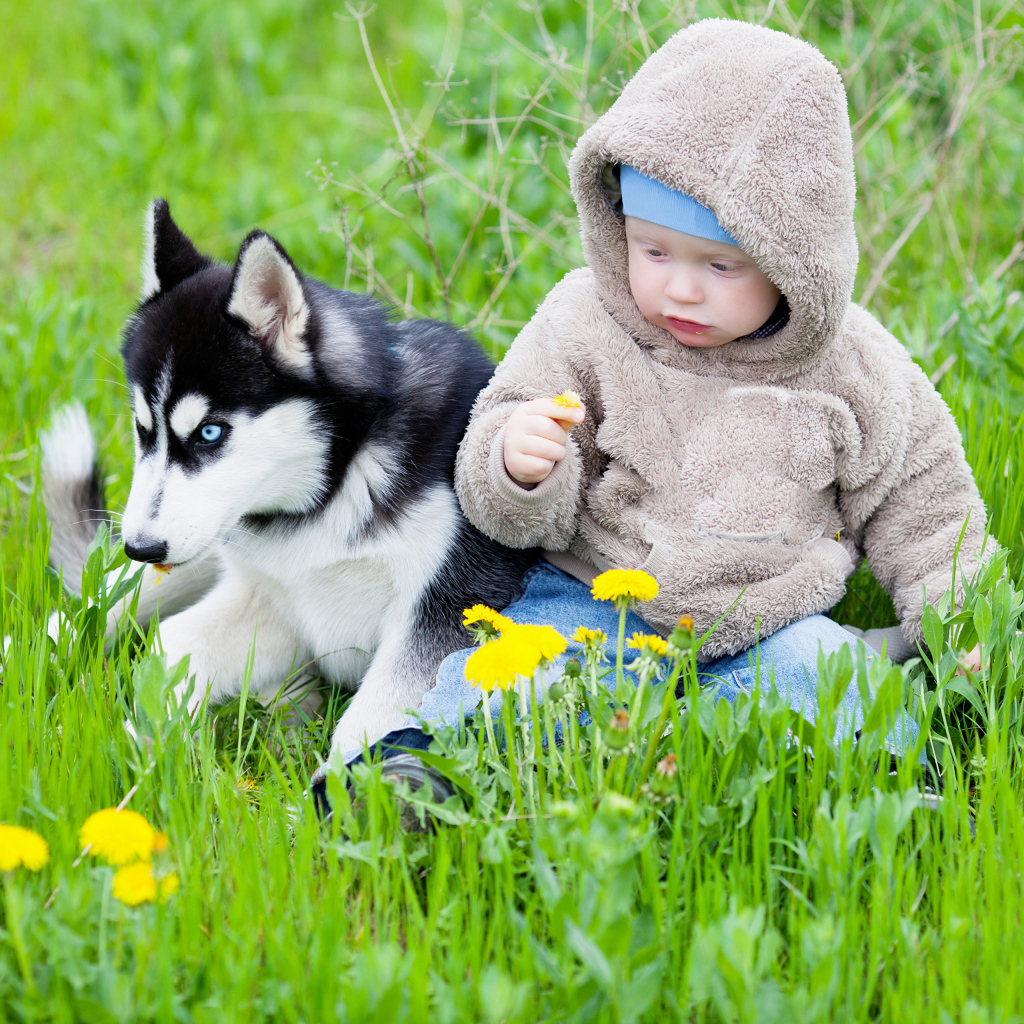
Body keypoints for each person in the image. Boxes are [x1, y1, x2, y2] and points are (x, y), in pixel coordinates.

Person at [321, 19, 994, 796]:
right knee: (514, 675)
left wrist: (959, 619)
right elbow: (498, 463)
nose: (679, 288)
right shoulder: (583, 322)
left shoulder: (854, 367)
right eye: (654, 251)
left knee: (826, 674)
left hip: (764, 621)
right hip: (591, 597)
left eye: (720, 264)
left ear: (794, 260)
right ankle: (420, 773)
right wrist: (517, 465)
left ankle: (889, 779)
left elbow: (927, 504)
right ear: (618, 228)